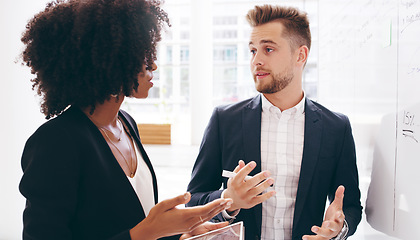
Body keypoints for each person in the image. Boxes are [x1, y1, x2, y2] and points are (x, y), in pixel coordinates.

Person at [18, 0, 233, 239]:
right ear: (105, 60)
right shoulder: (55, 141)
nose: (153, 64)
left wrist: (180, 235)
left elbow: (132, 223)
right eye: (141, 54)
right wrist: (148, 231)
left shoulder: (126, 124)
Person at [186, 4, 362, 240]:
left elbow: (350, 206)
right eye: (252, 51)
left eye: (268, 49)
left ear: (300, 55)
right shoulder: (224, 120)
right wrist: (228, 200)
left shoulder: (336, 127)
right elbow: (193, 200)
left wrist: (338, 228)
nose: (256, 60)